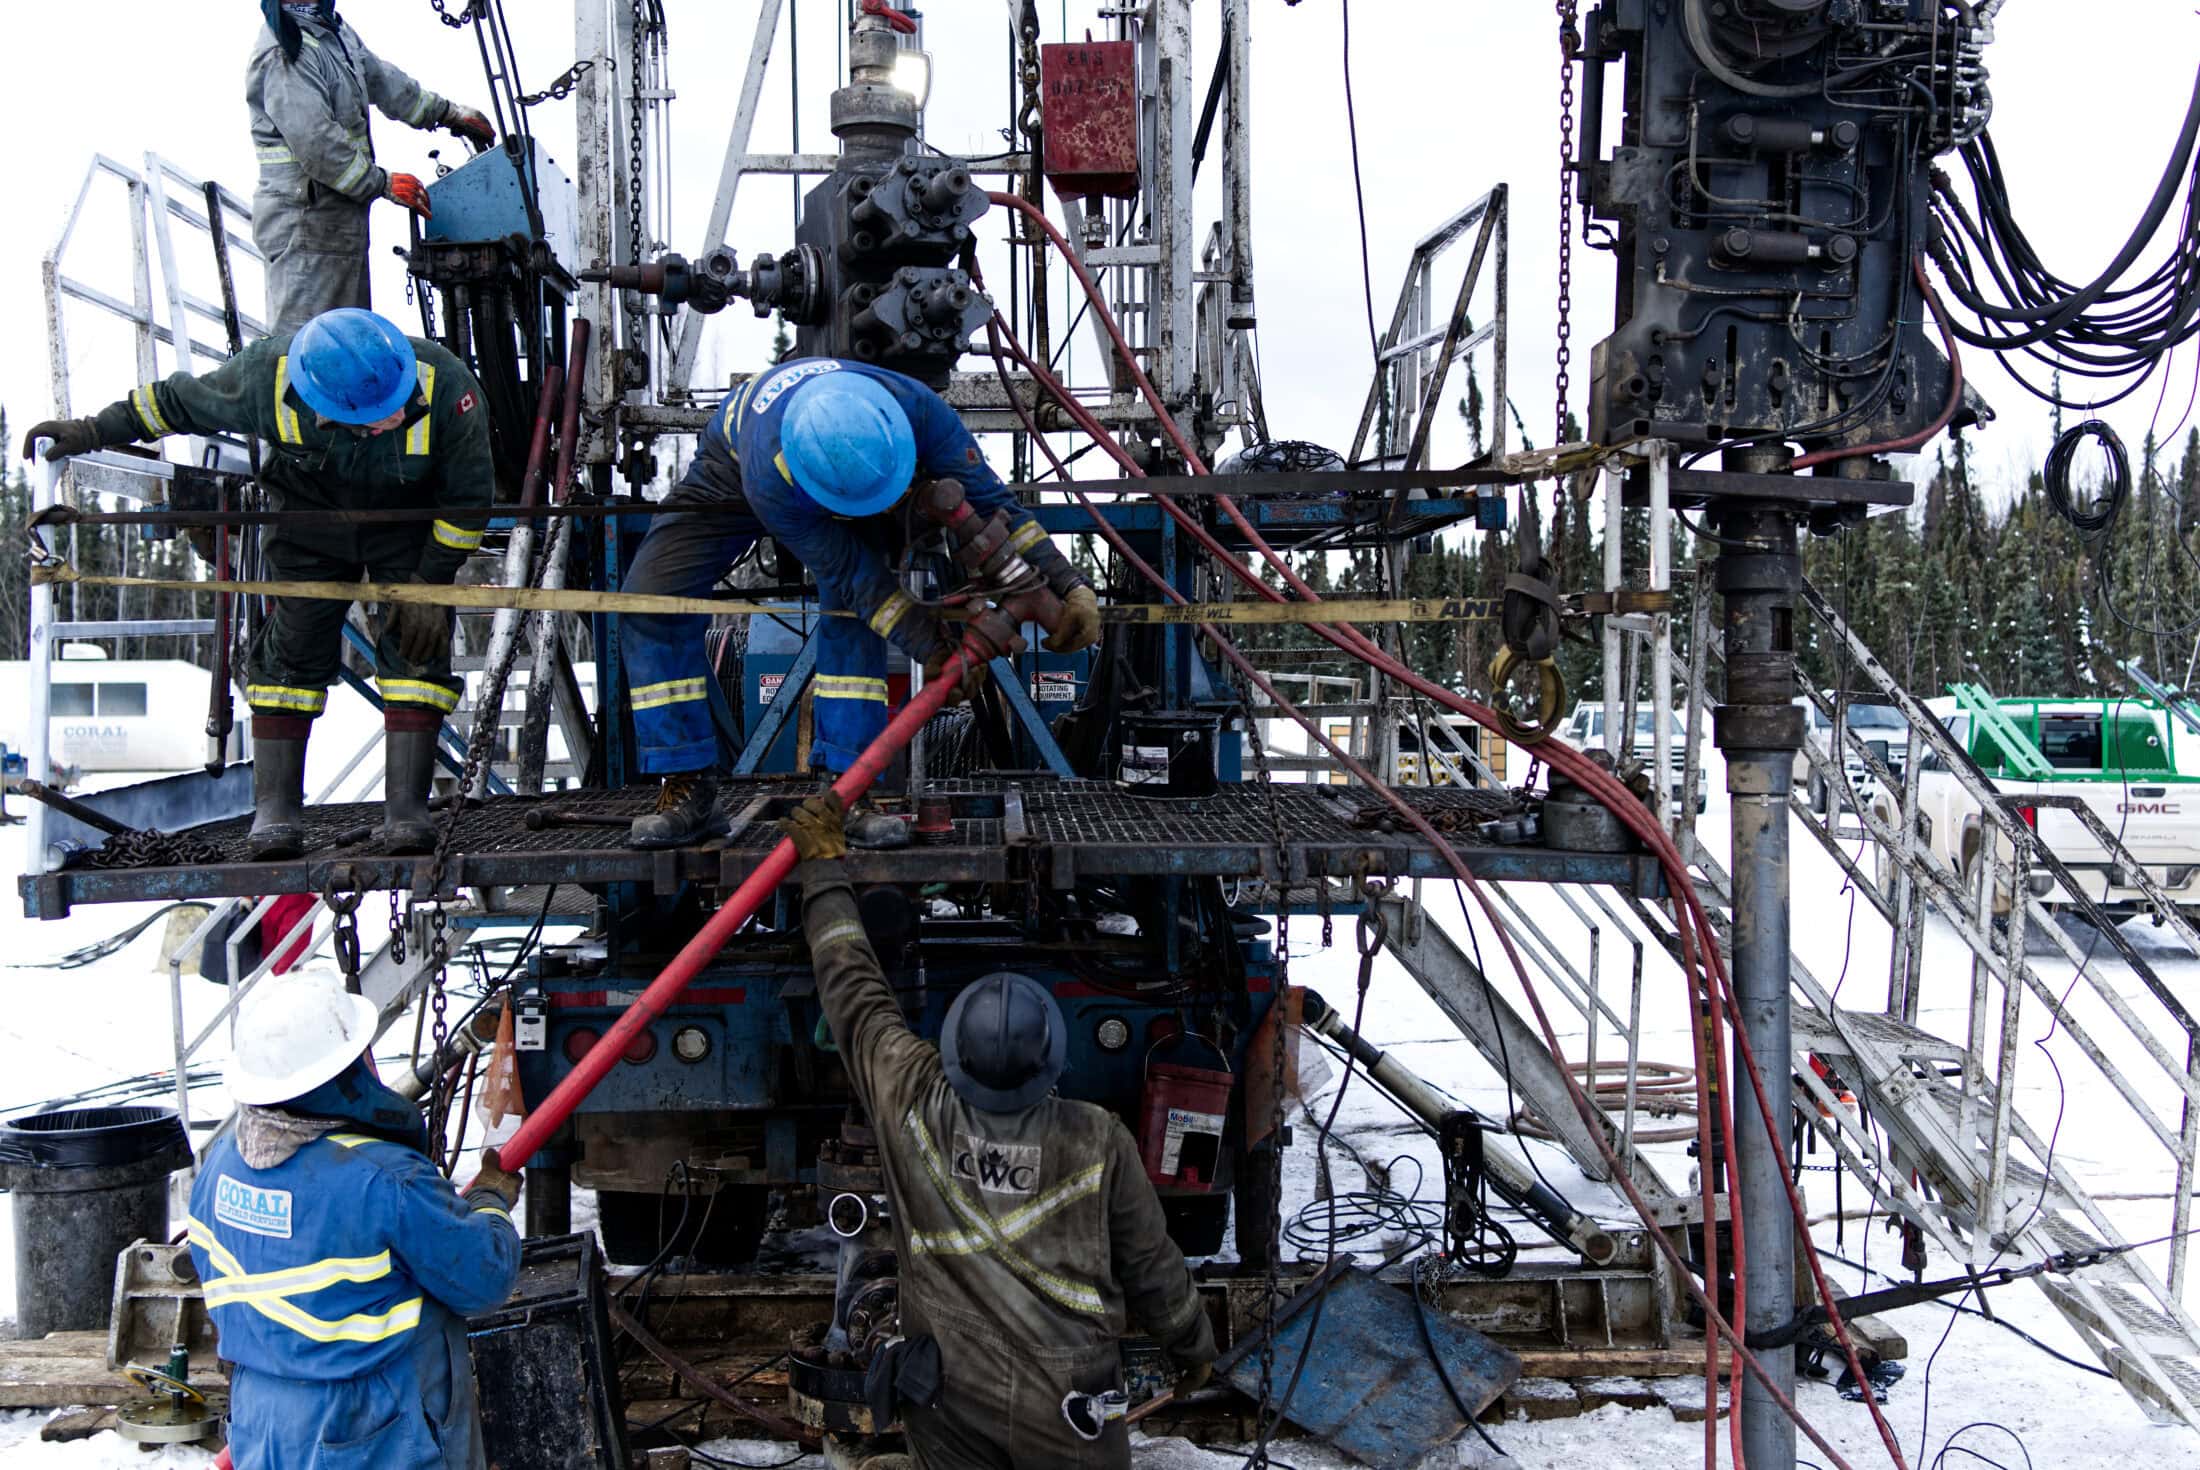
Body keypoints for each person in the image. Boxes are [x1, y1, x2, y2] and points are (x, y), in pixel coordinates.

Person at [778, 792, 1214, 1468]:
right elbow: (1154, 1268)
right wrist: (1192, 1352)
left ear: (955, 1052)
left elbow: (851, 986)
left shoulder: (914, 1100)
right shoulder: (1096, 1141)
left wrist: (824, 872)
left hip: (951, 1398)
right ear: (1051, 1061)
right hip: (1069, 1410)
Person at [23, 308, 494, 858]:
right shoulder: (265, 378)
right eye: (375, 418)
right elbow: (175, 403)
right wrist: (94, 429)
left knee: (416, 649)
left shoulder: (448, 386)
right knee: (289, 653)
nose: (392, 420)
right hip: (308, 524)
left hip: (408, 528)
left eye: (395, 410)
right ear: (324, 412)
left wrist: (428, 587)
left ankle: (406, 813)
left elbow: (468, 503)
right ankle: (276, 815)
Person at [619, 357, 1103, 850]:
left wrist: (1070, 585)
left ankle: (848, 790)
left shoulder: (921, 413)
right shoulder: (773, 476)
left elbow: (999, 505)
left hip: (842, 475)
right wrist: (933, 647)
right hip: (732, 466)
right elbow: (854, 575)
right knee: (650, 602)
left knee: (852, 622)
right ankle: (687, 787)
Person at [184, 969, 521, 1469]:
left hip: (262, 1419)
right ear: (343, 1073)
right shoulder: (384, 1180)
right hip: (369, 1423)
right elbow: (484, 1277)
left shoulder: (218, 1169)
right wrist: (490, 1201)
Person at [251, 0, 496, 332]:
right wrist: (382, 183)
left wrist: (448, 113)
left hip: (336, 221)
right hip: (304, 225)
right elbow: (317, 143)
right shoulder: (285, 49)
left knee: (346, 345)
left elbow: (382, 79)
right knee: (305, 347)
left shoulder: (332, 32)